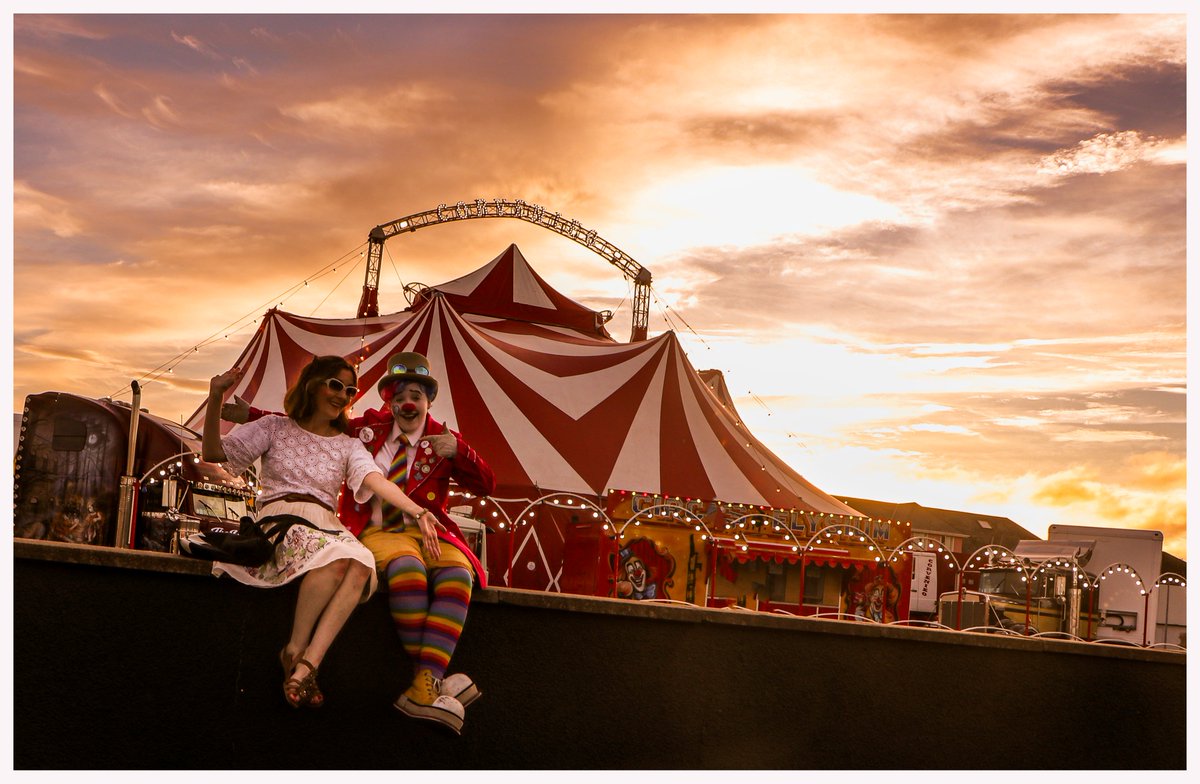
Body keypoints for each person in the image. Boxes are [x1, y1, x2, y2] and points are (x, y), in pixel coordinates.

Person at [223, 351, 495, 734]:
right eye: (399, 395)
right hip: (382, 531)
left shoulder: (444, 438)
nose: (407, 403)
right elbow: (305, 426)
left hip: (433, 531)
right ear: (388, 400)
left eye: (416, 394)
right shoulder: (368, 429)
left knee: (457, 577)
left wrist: (461, 452)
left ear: (428, 400)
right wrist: (247, 415)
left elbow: (488, 484)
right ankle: (432, 684)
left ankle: (426, 681)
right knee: (407, 573)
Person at [203, 355, 442, 711]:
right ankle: (295, 647)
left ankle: (306, 662)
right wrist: (215, 397)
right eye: (335, 385)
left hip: (326, 525)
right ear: (313, 384)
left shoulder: (347, 444)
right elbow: (213, 452)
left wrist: (418, 510)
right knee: (338, 555)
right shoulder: (274, 427)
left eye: (349, 391)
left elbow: (375, 480)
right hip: (282, 519)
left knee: (361, 562)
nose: (343, 396)